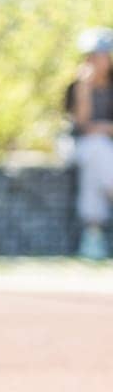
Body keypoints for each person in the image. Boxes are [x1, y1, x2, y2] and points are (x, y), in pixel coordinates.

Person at [70, 27, 113, 261]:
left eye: (102, 54)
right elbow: (83, 126)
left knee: (96, 167)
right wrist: (84, 88)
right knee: (97, 148)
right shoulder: (77, 86)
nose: (97, 61)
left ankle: (92, 234)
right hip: (82, 147)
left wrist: (105, 128)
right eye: (92, 55)